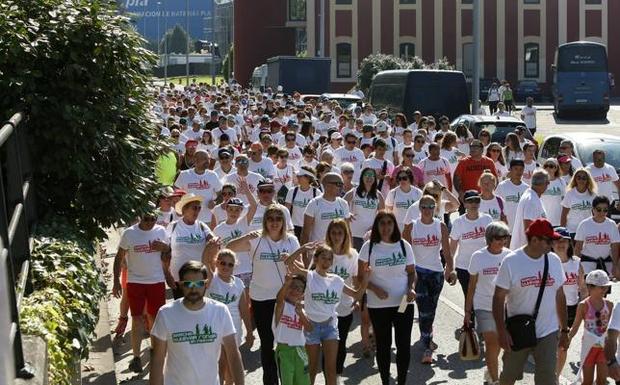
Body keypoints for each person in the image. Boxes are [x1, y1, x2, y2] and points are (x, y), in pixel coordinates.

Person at [227, 205, 301, 385]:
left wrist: (289, 261)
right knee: (267, 343)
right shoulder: (256, 239)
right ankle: (270, 381)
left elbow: (300, 269)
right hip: (261, 298)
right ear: (265, 221)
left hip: (286, 298)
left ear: (283, 221)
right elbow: (229, 248)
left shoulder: (291, 241)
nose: (274, 222)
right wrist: (245, 237)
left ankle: (287, 380)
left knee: (285, 342)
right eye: (271, 219)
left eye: (278, 218)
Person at [492, 218, 569, 385]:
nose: (552, 245)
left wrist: (564, 330)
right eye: (549, 241)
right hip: (519, 331)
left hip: (548, 332)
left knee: (547, 380)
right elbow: (498, 298)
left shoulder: (553, 261)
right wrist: (501, 330)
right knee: (508, 378)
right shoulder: (512, 261)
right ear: (534, 240)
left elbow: (560, 295)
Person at [150, 261, 244, 385]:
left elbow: (233, 354)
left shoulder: (220, 311)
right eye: (188, 284)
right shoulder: (166, 313)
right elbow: (157, 360)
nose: (194, 288)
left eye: (199, 283)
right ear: (181, 285)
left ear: (206, 284)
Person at [288, 244, 368, 385]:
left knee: (331, 368)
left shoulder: (337, 280)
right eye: (323, 258)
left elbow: (356, 294)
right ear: (316, 259)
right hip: (311, 326)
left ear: (332, 262)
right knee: (311, 367)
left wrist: (366, 278)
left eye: (329, 259)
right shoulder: (310, 276)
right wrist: (303, 249)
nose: (326, 262)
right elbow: (288, 263)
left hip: (330, 327)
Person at [358, 211, 416, 385]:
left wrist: (411, 288)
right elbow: (360, 278)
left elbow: (412, 273)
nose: (386, 227)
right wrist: (375, 288)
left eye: (389, 223)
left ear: (394, 225)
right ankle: (385, 381)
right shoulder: (368, 247)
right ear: (376, 226)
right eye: (382, 223)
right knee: (383, 346)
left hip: (403, 303)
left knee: (403, 345)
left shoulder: (404, 245)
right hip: (378, 305)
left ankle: (402, 381)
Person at [112, 211, 168, 373]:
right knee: (136, 319)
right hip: (135, 281)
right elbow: (119, 256)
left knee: (155, 318)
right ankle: (136, 357)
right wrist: (116, 281)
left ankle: (154, 349)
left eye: (153, 219)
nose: (150, 222)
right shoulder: (129, 233)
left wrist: (166, 247)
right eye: (146, 219)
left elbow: (167, 254)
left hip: (156, 281)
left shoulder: (161, 231)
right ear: (140, 218)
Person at [409, 195, 456, 363]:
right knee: (424, 310)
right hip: (418, 273)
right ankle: (427, 347)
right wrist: (407, 274)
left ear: (435, 208)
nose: (427, 209)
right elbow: (404, 251)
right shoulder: (412, 226)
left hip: (436, 273)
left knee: (431, 310)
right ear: (419, 208)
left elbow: (446, 251)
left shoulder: (440, 225)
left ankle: (427, 336)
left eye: (431, 206)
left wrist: (451, 270)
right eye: (424, 206)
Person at [464, 221, 511, 385]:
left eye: (505, 237)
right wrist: (467, 311)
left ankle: (491, 369)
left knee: (501, 346)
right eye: (499, 238)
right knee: (492, 342)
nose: (502, 241)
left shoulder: (509, 256)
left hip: (505, 307)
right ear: (490, 238)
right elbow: (472, 285)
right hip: (483, 305)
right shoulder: (478, 256)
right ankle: (495, 380)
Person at [206, 249, 254, 385]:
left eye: (230, 264)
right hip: (213, 328)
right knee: (220, 365)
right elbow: (204, 262)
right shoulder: (211, 279)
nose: (226, 267)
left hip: (233, 328)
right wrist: (208, 248)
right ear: (216, 263)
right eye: (222, 263)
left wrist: (249, 333)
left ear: (235, 266)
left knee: (231, 370)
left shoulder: (238, 283)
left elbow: (244, 310)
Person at [323, 219, 363, 380]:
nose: (337, 236)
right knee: (327, 346)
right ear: (329, 234)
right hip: (324, 309)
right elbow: (312, 277)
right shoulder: (323, 252)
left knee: (340, 343)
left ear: (346, 234)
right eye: (333, 233)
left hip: (345, 307)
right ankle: (328, 379)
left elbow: (355, 279)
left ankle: (337, 375)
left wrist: (358, 298)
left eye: (340, 233)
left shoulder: (352, 254)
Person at [166, 193, 220, 299]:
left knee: (198, 307)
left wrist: (214, 240)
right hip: (179, 277)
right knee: (181, 309)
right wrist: (168, 275)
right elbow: (166, 252)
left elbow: (213, 239)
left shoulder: (202, 226)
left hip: (199, 277)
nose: (197, 211)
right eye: (194, 208)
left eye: (199, 208)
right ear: (184, 209)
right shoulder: (173, 226)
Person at [568, 270, 614, 385]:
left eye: (606, 287)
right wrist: (567, 339)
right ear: (590, 287)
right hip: (589, 348)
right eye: (601, 287)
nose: (605, 290)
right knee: (587, 381)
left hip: (604, 348)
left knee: (602, 381)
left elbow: (612, 328)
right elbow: (575, 326)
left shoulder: (609, 304)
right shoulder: (583, 305)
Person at [554, 226, 586, 381]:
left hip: (570, 309)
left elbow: (583, 289)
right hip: (550, 309)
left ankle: (556, 377)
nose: (561, 244)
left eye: (564, 241)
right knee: (549, 346)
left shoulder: (576, 263)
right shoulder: (547, 262)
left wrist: (584, 309)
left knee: (563, 347)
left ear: (569, 243)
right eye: (557, 240)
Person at [450, 190, 493, 298]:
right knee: (469, 297)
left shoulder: (487, 219)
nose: (473, 204)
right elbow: (453, 247)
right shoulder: (458, 222)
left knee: (483, 298)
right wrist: (450, 268)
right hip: (464, 267)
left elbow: (493, 243)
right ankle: (469, 315)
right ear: (464, 204)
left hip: (484, 267)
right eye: (470, 201)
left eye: (476, 200)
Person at [273, 273, 313, 385]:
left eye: (299, 288)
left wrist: (301, 314)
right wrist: (286, 284)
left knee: (303, 382)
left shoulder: (301, 310)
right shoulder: (282, 305)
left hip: (300, 351)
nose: (295, 290)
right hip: (284, 351)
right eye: (293, 286)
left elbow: (309, 328)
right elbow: (279, 299)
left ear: (302, 293)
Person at [574, 195, 620, 278]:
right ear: (593, 209)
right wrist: (575, 267)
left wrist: (615, 265)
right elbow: (578, 247)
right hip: (587, 262)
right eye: (599, 210)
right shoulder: (584, 224)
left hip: (606, 263)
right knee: (588, 289)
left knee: (605, 290)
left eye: (605, 210)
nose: (602, 213)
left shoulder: (612, 225)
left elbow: (615, 247)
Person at [302, 173, 351, 245]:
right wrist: (304, 255)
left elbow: (347, 230)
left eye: (342, 184)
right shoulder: (314, 204)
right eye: (339, 184)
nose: (342, 187)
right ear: (327, 186)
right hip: (319, 252)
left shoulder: (344, 204)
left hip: (338, 251)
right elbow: (305, 232)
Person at [174, 149, 223, 222]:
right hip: (188, 218)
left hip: (207, 219)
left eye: (208, 159)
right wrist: (180, 207)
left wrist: (215, 202)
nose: (207, 161)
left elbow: (221, 195)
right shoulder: (184, 175)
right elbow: (175, 194)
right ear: (195, 160)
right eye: (204, 159)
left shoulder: (213, 175)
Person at [344, 168, 385, 251]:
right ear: (362, 177)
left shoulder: (378, 195)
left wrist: (375, 227)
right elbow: (340, 204)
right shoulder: (354, 192)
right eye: (366, 175)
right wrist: (347, 214)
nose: (369, 178)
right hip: (354, 234)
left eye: (371, 176)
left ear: (375, 179)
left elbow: (382, 216)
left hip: (370, 236)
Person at [509, 170, 549, 250]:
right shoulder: (531, 200)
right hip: (527, 252)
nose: (548, 185)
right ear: (543, 184)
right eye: (548, 183)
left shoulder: (532, 196)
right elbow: (528, 228)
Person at [452, 139, 497, 206]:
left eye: (475, 147)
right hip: (468, 198)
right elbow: (456, 179)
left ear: (482, 150)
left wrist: (490, 193)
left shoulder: (489, 162)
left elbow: (495, 179)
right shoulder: (463, 162)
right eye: (471, 147)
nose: (472, 149)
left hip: (485, 198)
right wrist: (460, 193)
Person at [284, 167, 320, 239]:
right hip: (294, 228)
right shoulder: (292, 191)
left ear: (308, 178)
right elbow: (286, 211)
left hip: (310, 228)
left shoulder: (317, 193)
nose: (297, 177)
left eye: (300, 176)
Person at [560, 168, 596, 238]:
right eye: (578, 177)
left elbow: (596, 214)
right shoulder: (570, 194)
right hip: (572, 230)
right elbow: (564, 214)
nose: (581, 180)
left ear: (588, 180)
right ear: (575, 179)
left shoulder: (593, 195)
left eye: (584, 178)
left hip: (587, 230)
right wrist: (563, 232)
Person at [495, 159, 529, 232]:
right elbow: (496, 204)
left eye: (521, 169)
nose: (518, 172)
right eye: (516, 169)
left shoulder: (527, 188)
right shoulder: (502, 186)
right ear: (510, 170)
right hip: (505, 227)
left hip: (521, 228)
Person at [386, 167, 423, 232]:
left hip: (415, 229)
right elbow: (388, 213)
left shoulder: (418, 193)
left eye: (404, 178)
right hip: (397, 230)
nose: (402, 181)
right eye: (399, 179)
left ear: (410, 178)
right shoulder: (393, 193)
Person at [540, 158, 566, 227]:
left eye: (551, 166)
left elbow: (565, 201)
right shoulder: (540, 181)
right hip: (543, 220)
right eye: (546, 166)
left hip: (558, 221)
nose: (548, 168)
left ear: (556, 168)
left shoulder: (561, 181)